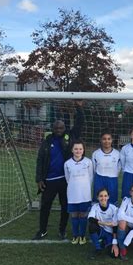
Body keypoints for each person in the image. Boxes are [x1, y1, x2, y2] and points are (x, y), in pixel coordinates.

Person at [33, 101, 84, 240]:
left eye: (61, 128)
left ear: (64, 128)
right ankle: (42, 230)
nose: (58, 130)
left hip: (65, 181)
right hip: (49, 181)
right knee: (45, 207)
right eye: (56, 128)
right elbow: (40, 159)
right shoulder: (47, 140)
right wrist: (39, 179)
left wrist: (79, 108)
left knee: (65, 206)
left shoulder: (70, 137)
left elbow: (79, 123)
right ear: (53, 128)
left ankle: (62, 230)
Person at [64, 140, 93, 245]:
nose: (78, 151)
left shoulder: (88, 162)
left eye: (80, 149)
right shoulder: (67, 163)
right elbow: (68, 179)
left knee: (83, 215)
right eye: (76, 149)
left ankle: (82, 236)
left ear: (83, 150)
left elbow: (90, 177)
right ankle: (75, 235)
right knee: (74, 215)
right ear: (72, 150)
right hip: (73, 195)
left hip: (85, 195)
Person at [87, 188, 119, 259]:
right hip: (101, 231)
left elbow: (115, 226)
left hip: (110, 233)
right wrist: (106, 223)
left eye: (105, 196)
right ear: (97, 197)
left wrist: (114, 243)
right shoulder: (95, 207)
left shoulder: (114, 208)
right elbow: (90, 219)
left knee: (114, 255)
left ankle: (104, 243)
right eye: (101, 196)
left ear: (108, 197)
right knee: (92, 226)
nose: (103, 198)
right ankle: (98, 248)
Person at [92, 131, 121, 205]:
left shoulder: (117, 153)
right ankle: (96, 215)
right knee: (98, 200)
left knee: (112, 201)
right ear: (101, 140)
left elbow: (119, 167)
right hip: (99, 178)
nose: (106, 141)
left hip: (112, 179)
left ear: (112, 140)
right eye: (104, 139)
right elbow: (94, 168)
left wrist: (113, 174)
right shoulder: (96, 154)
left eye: (109, 139)